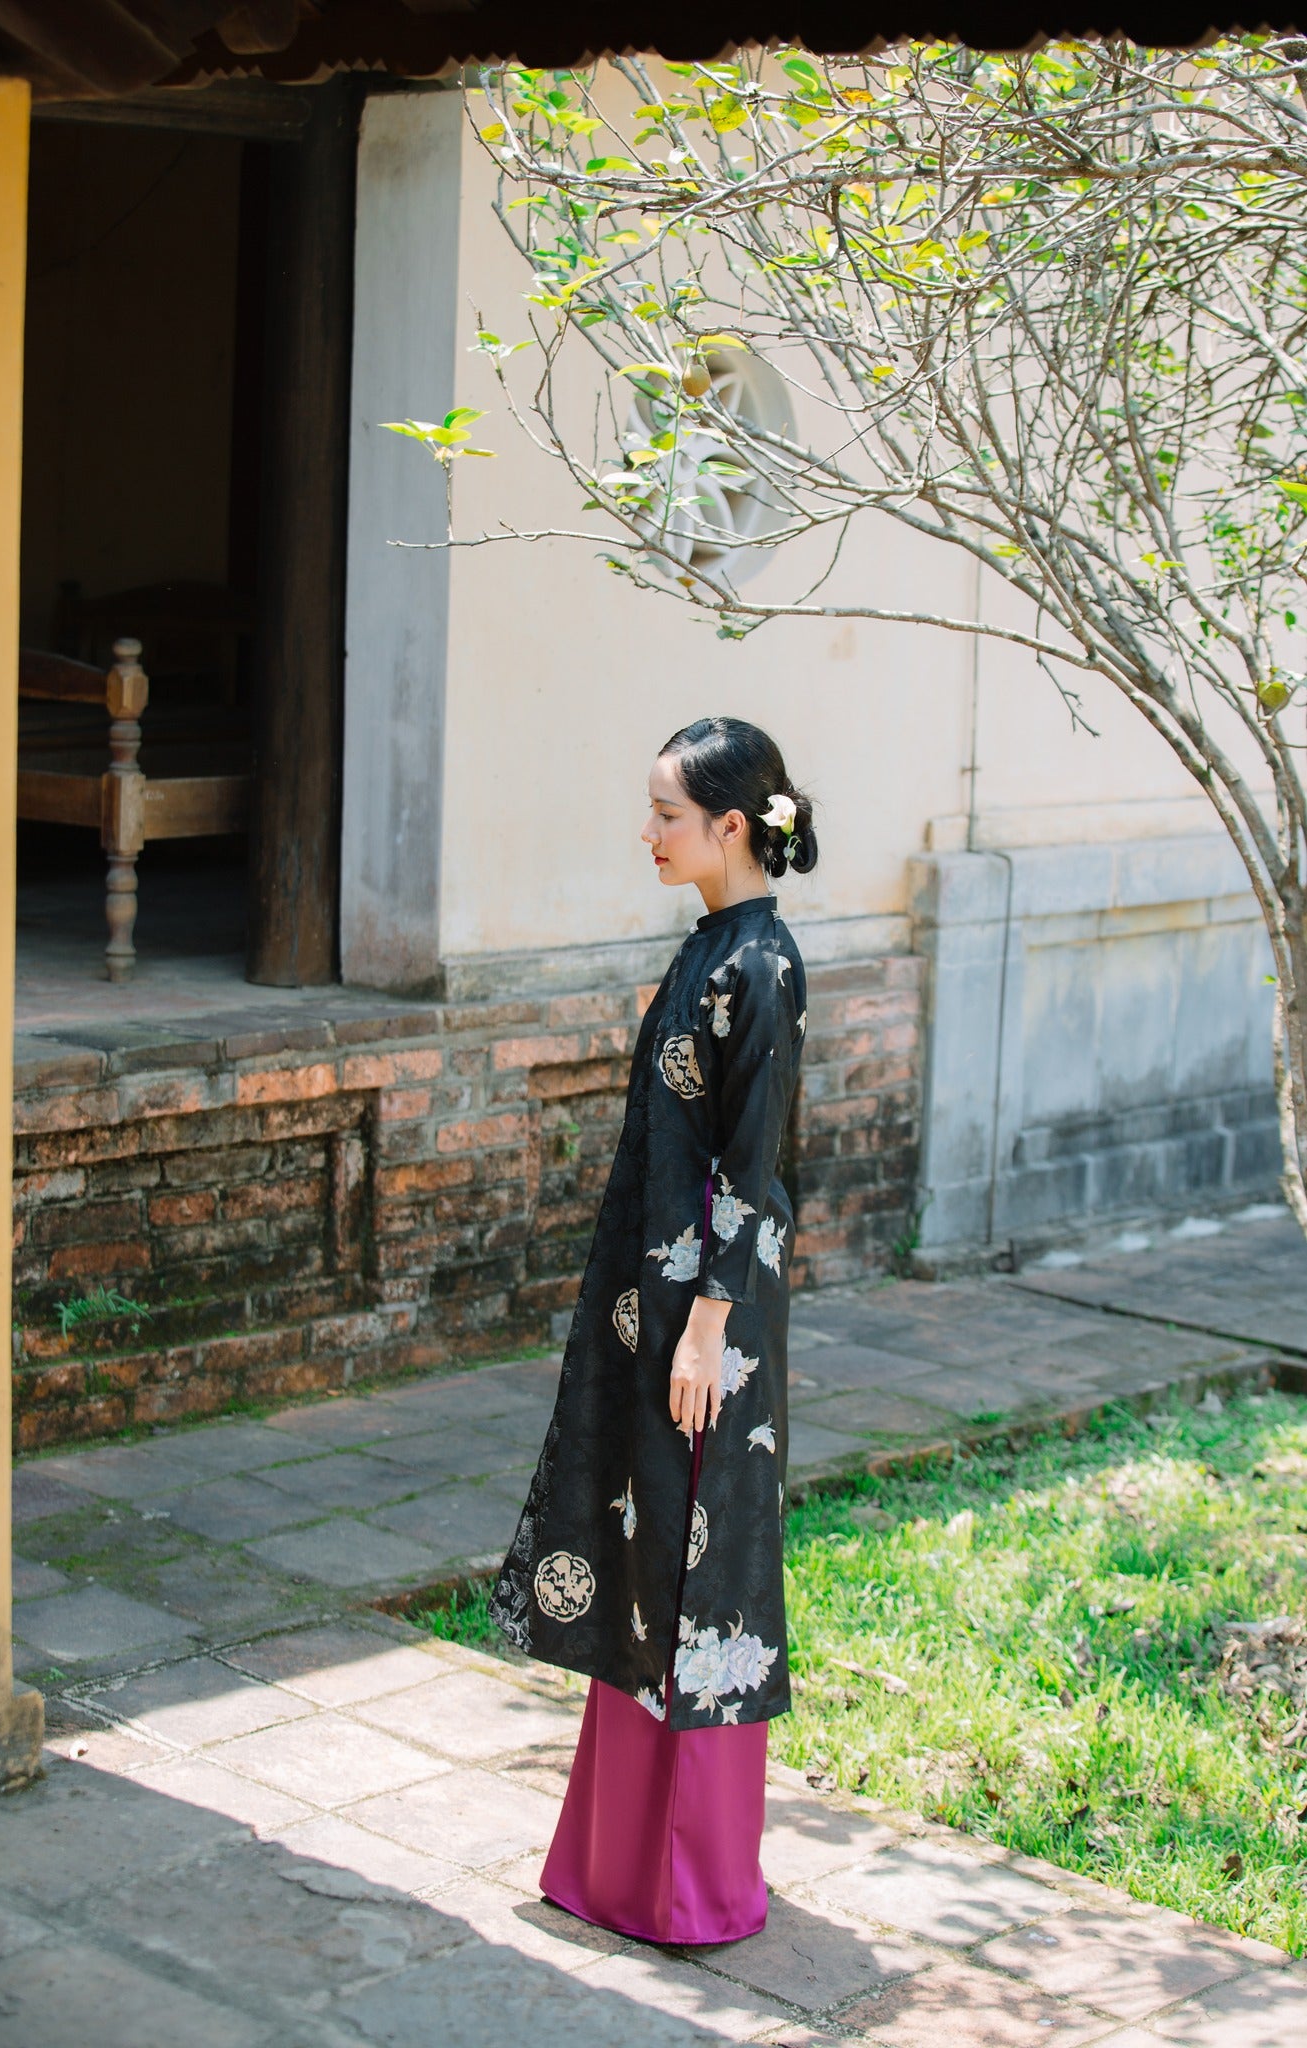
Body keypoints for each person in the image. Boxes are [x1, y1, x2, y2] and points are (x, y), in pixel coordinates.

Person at [489, 715, 818, 1945]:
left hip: (705, 1330)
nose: (647, 832)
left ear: (729, 825)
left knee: (697, 1576)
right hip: (653, 1313)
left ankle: (690, 1884)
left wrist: (704, 1331)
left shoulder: (762, 968)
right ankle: (613, 1868)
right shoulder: (705, 949)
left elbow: (756, 1171)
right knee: (642, 1566)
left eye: (666, 815)